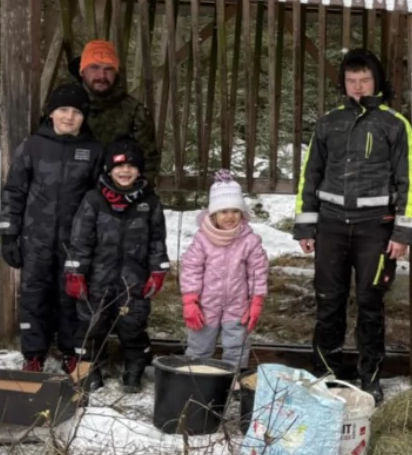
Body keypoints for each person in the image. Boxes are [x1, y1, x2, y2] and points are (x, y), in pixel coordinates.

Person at [293, 48, 412, 404]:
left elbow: (409, 181)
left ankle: (371, 377)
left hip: (375, 228)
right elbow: (310, 175)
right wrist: (306, 225)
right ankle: (325, 373)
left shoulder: (395, 124)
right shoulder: (328, 123)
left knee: (370, 302)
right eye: (352, 81)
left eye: (365, 80)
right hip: (332, 225)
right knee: (328, 301)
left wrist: (402, 234)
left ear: (376, 81)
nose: (359, 87)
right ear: (344, 84)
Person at [0, 84, 103, 373]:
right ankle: (34, 354)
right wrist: (9, 234)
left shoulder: (94, 151)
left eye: (77, 112)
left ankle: (71, 350)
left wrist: (96, 240)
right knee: (34, 295)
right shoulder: (32, 146)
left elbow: (99, 199)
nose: (69, 117)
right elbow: (14, 191)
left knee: (71, 296)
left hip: (75, 242)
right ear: (51, 113)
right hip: (36, 239)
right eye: (63, 110)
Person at [65, 136, 169, 393]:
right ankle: (90, 367)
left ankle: (134, 367)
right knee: (92, 322)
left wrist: (158, 270)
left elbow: (157, 240)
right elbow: (80, 240)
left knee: (133, 322)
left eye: (131, 166)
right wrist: (75, 272)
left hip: (133, 277)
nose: (125, 171)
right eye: (119, 166)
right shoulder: (94, 200)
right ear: (109, 169)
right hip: (97, 276)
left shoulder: (149, 202)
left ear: (139, 170)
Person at [179, 170, 269, 370]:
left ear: (242, 213)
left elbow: (258, 272)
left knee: (236, 346)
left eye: (235, 211)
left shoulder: (249, 241)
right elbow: (191, 269)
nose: (230, 216)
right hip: (205, 304)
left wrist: (256, 300)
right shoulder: (202, 240)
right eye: (224, 211)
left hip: (238, 305)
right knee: (200, 345)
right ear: (213, 214)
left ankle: (232, 380)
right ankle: (195, 377)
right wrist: (190, 300)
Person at [53, 40, 161, 182]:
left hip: (114, 196)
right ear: (82, 70)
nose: (101, 76)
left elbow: (149, 163)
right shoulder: (63, 105)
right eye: (94, 67)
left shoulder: (134, 112)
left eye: (108, 69)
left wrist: (129, 195)